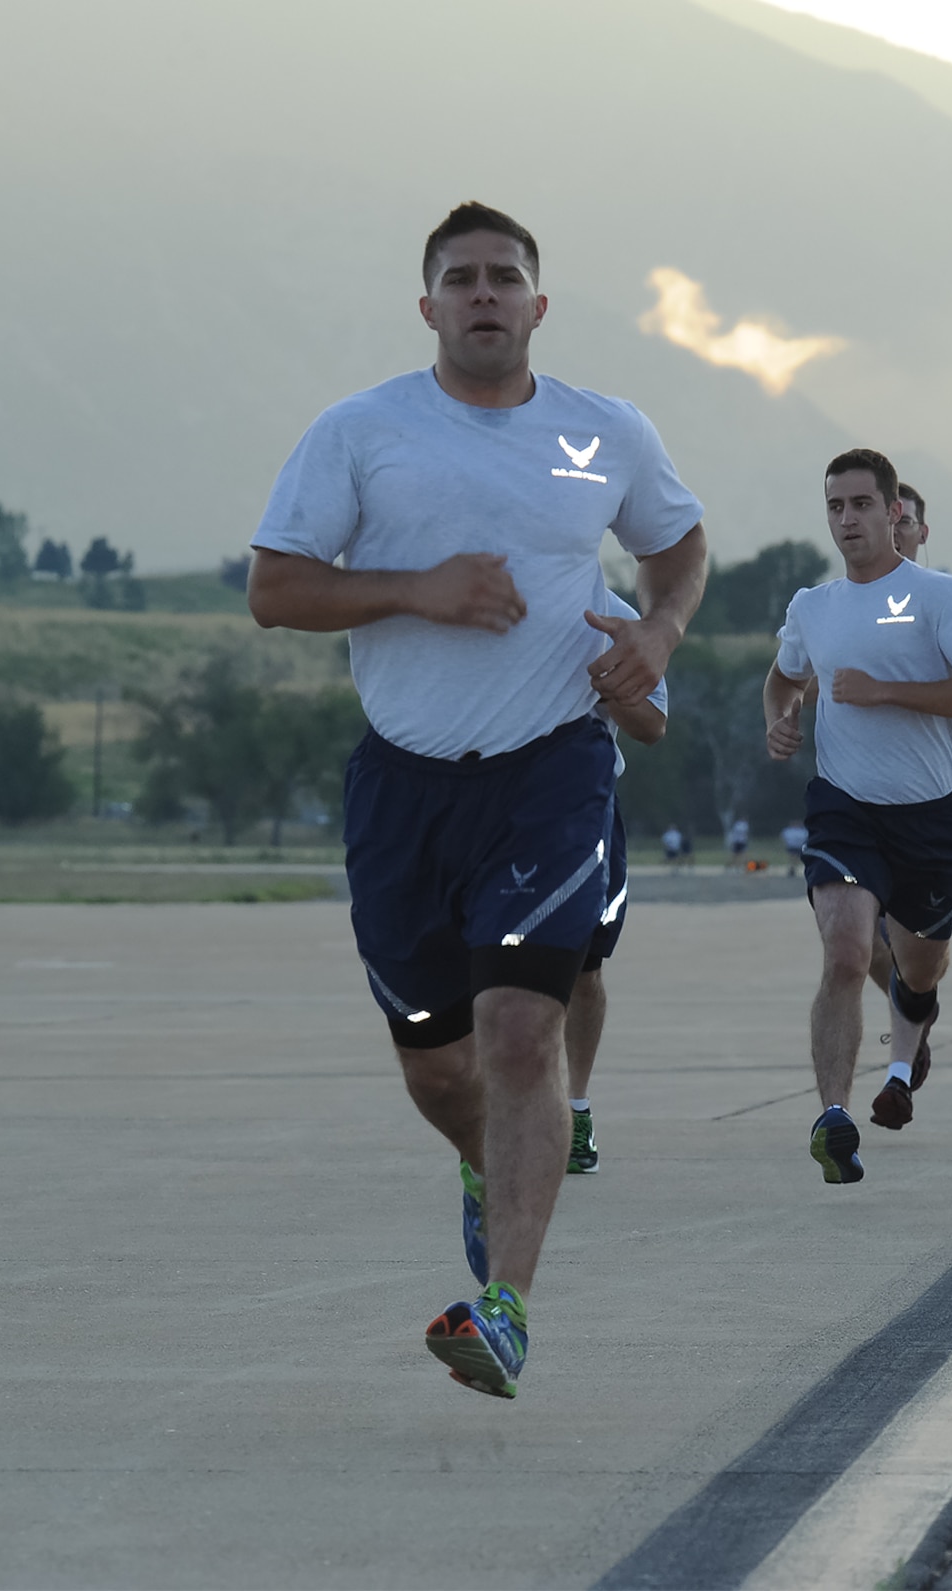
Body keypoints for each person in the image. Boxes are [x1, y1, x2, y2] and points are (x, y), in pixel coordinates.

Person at [246, 202, 707, 1399]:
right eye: (463, 279)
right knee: (439, 1071)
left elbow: (678, 542)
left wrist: (657, 632)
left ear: (539, 305)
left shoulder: (604, 432)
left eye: (506, 276)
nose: (486, 293)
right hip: (402, 785)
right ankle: (480, 1164)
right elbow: (276, 589)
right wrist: (418, 590)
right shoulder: (361, 432)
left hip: (549, 768)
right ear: (429, 306)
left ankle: (503, 1307)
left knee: (518, 1034)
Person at [764, 448, 952, 1180]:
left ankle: (909, 1036)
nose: (847, 520)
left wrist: (888, 692)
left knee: (918, 970)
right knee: (844, 952)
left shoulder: (945, 596)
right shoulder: (813, 606)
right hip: (844, 808)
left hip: (930, 818)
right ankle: (833, 1117)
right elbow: (783, 678)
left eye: (861, 504)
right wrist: (778, 720)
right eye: (835, 506)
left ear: (895, 511)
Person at [564, 591, 671, 1177]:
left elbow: (652, 726)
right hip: (491, 806)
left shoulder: (616, 616)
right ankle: (501, 1114)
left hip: (586, 810)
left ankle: (575, 1107)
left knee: (584, 969)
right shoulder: (482, 595)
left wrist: (613, 687)